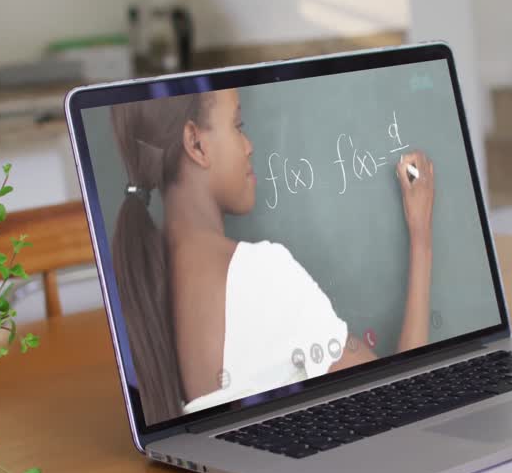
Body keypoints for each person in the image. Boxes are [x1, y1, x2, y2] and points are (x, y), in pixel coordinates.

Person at [110, 88, 436, 424]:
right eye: (238, 125)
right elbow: (400, 401)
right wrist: (421, 236)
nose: (249, 146)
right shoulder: (260, 274)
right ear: (196, 144)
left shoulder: (146, 278)